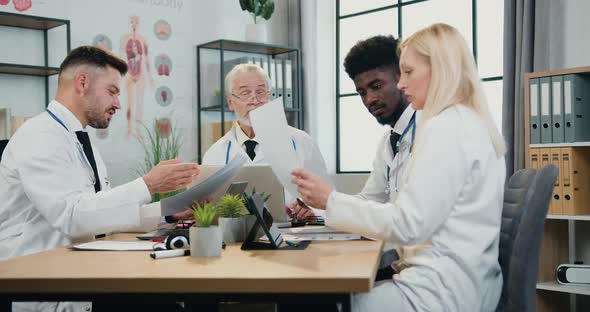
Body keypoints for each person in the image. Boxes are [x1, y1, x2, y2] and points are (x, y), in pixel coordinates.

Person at [292, 23, 506, 312]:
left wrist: (330, 200)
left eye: (408, 72)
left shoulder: (445, 128)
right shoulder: (465, 122)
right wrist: (321, 209)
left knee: (311, 300)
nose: (403, 84)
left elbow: (408, 224)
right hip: (458, 282)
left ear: (439, 68)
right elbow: (378, 203)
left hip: (441, 293)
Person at [202, 63, 331, 219]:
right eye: (245, 92)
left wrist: (313, 212)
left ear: (269, 97)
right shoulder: (214, 154)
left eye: (261, 92)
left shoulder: (301, 142)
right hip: (235, 240)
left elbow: (328, 198)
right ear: (230, 102)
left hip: (292, 235)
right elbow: (208, 209)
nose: (254, 100)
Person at [120, 15, 154, 138]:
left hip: (140, 73)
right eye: (131, 22)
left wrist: (150, 78)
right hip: (129, 73)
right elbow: (121, 58)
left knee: (139, 102)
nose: (134, 24)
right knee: (129, 103)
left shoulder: (142, 39)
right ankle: (129, 129)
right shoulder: (124, 39)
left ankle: (138, 130)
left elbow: (146, 59)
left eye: (136, 22)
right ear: (129, 23)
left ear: (138, 24)